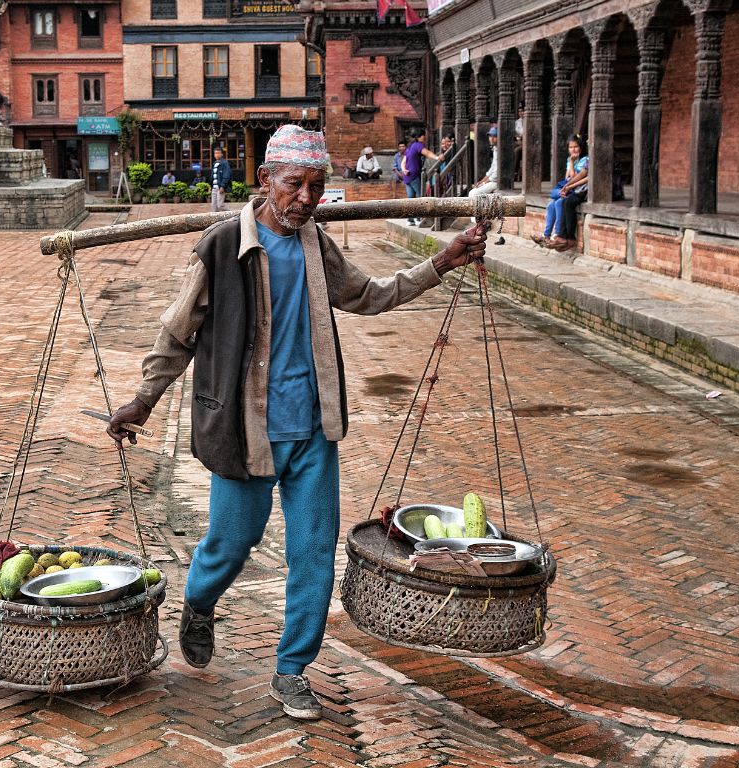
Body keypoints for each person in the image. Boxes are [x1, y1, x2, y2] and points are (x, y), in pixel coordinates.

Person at [106, 124, 487, 722]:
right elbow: (177, 333)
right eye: (295, 185)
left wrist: (441, 262)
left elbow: (370, 295)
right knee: (230, 544)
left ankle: (291, 670)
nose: (307, 199)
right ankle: (199, 603)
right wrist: (143, 400)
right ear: (264, 182)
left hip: (312, 428)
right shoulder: (220, 247)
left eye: (316, 186)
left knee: (313, 552)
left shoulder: (317, 245)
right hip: (245, 428)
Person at [532, 134, 589, 251]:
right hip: (568, 188)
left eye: (576, 147)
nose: (573, 149)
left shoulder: (585, 160)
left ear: (581, 147)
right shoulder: (570, 159)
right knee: (551, 204)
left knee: (558, 203)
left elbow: (573, 177)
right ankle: (546, 236)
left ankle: (558, 235)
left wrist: (572, 163)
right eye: (571, 147)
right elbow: (567, 176)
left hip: (576, 189)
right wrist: (571, 163)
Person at [401, 127, 440, 225]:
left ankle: (410, 220)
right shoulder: (418, 145)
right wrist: (437, 157)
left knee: (411, 198)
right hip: (414, 175)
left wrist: (403, 169)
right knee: (420, 196)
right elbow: (426, 153)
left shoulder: (410, 146)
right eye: (423, 136)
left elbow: (403, 162)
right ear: (419, 136)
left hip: (407, 176)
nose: (424, 138)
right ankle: (419, 218)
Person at [468, 125, 499, 222]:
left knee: (474, 193)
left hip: (498, 181)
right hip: (492, 179)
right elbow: (491, 169)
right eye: (490, 136)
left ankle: (478, 222)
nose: (491, 139)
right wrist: (481, 181)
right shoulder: (495, 149)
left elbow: (496, 174)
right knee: (473, 190)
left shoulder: (502, 150)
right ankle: (477, 221)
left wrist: (484, 183)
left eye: (494, 136)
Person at [211, 146, 232, 212]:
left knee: (220, 205)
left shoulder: (224, 163)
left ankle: (232, 214)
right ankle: (215, 220)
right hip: (214, 187)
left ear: (222, 154)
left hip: (220, 187)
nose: (216, 155)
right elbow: (213, 176)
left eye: (218, 153)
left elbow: (227, 175)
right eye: (215, 153)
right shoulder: (214, 163)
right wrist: (210, 186)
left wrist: (223, 186)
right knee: (214, 207)